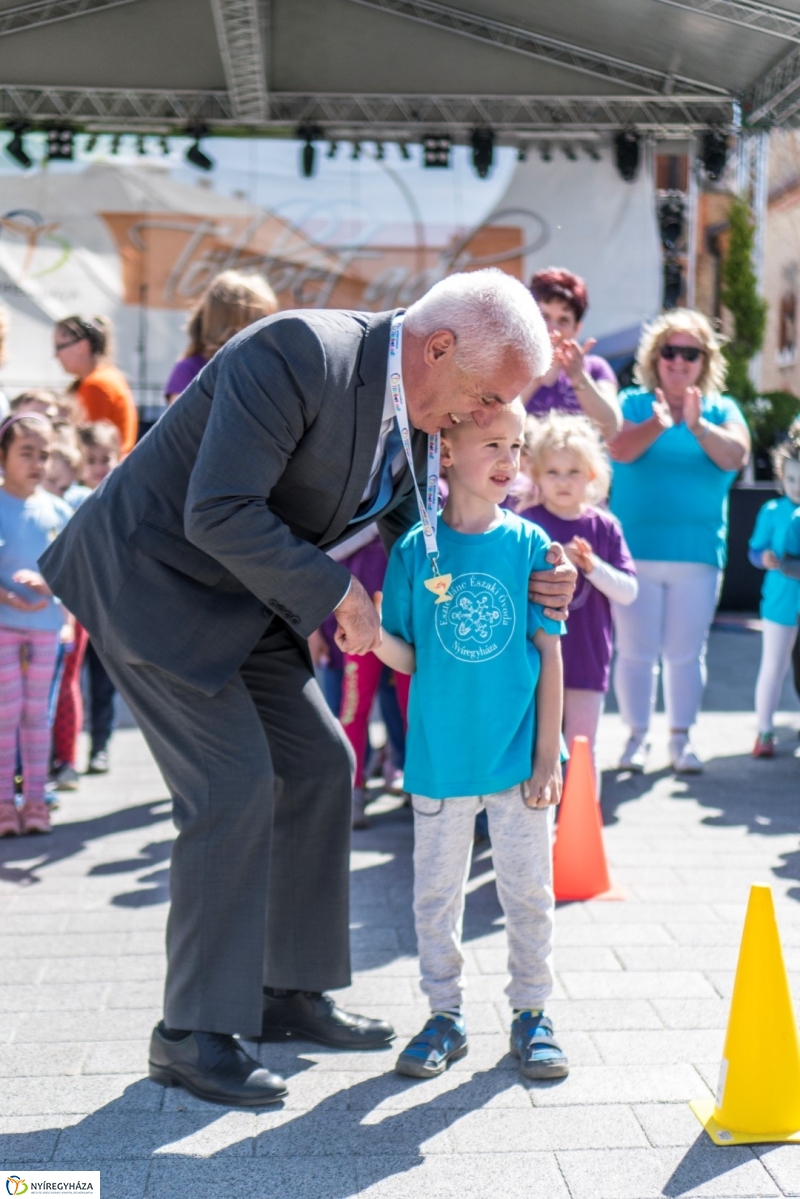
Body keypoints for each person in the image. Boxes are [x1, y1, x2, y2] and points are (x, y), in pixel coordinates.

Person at [39, 268, 577, 1109]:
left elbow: (415, 518)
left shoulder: (419, 394)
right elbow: (217, 510)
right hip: (154, 584)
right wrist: (339, 595)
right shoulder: (300, 352)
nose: (480, 419)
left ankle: (287, 991)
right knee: (232, 783)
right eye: (485, 398)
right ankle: (190, 1034)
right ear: (438, 348)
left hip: (245, 597)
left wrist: (526, 575)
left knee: (321, 764)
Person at [371, 398, 568, 1080]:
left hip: (518, 761)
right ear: (445, 455)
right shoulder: (412, 549)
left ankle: (533, 1012)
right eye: (493, 445)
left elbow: (550, 655)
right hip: (439, 760)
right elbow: (411, 653)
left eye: (516, 448)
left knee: (527, 892)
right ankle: (444, 1015)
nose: (509, 461)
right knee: (435, 895)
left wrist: (548, 755)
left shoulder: (532, 548)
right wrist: (372, 639)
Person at [608, 310, 750, 774]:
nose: (679, 361)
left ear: (704, 361)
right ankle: (636, 739)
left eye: (691, 353)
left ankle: (680, 740)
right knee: (635, 653)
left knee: (686, 655)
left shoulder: (722, 409)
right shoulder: (632, 403)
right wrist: (661, 421)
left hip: (698, 555)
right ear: (656, 356)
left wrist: (697, 426)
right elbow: (619, 448)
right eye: (670, 351)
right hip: (634, 553)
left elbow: (736, 456)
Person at [520, 412, 637, 782]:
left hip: (587, 658)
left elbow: (629, 591)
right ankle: (539, 831)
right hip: (534, 660)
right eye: (552, 472)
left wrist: (593, 566)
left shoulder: (604, 526)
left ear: (590, 475)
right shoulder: (523, 523)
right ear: (536, 475)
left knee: (583, 746)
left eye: (573, 472)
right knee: (538, 747)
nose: (563, 481)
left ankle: (580, 833)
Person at [0, 413, 71, 836]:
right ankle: (5, 805)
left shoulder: (57, 509)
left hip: (45, 628)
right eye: (26, 453)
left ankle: (37, 803)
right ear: (3, 456)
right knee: (5, 715)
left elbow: (73, 569)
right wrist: (5, 596)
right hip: (3, 628)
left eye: (44, 454)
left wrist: (50, 586)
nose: (37, 463)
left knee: (36, 716)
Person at [526, 267, 621, 441]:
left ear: (576, 329)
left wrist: (578, 377)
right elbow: (494, 421)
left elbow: (611, 429)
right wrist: (537, 379)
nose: (552, 329)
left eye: (563, 320)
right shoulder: (510, 365)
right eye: (544, 317)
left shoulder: (595, 368)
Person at [750, 434, 800, 756]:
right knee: (774, 666)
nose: (797, 485)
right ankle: (764, 732)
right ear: (782, 476)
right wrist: (765, 557)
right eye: (792, 477)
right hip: (780, 604)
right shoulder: (771, 511)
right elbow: (754, 551)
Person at [164, 270, 278, 403]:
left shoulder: (264, 367)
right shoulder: (189, 369)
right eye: (258, 318)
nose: (266, 326)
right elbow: (183, 422)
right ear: (227, 323)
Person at [54, 316, 138, 455]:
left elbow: (87, 445)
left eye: (59, 347)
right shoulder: (108, 377)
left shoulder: (96, 385)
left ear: (82, 346)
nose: (56, 355)